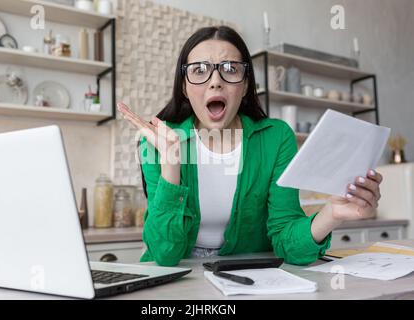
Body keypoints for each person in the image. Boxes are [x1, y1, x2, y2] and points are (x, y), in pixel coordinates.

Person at [117, 26, 383, 267]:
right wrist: (171, 163)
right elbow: (164, 254)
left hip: (251, 280)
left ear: (245, 85)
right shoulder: (157, 141)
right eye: (199, 70)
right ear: (184, 87)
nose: (215, 80)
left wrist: (333, 214)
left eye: (230, 69)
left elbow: (288, 245)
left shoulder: (276, 138)